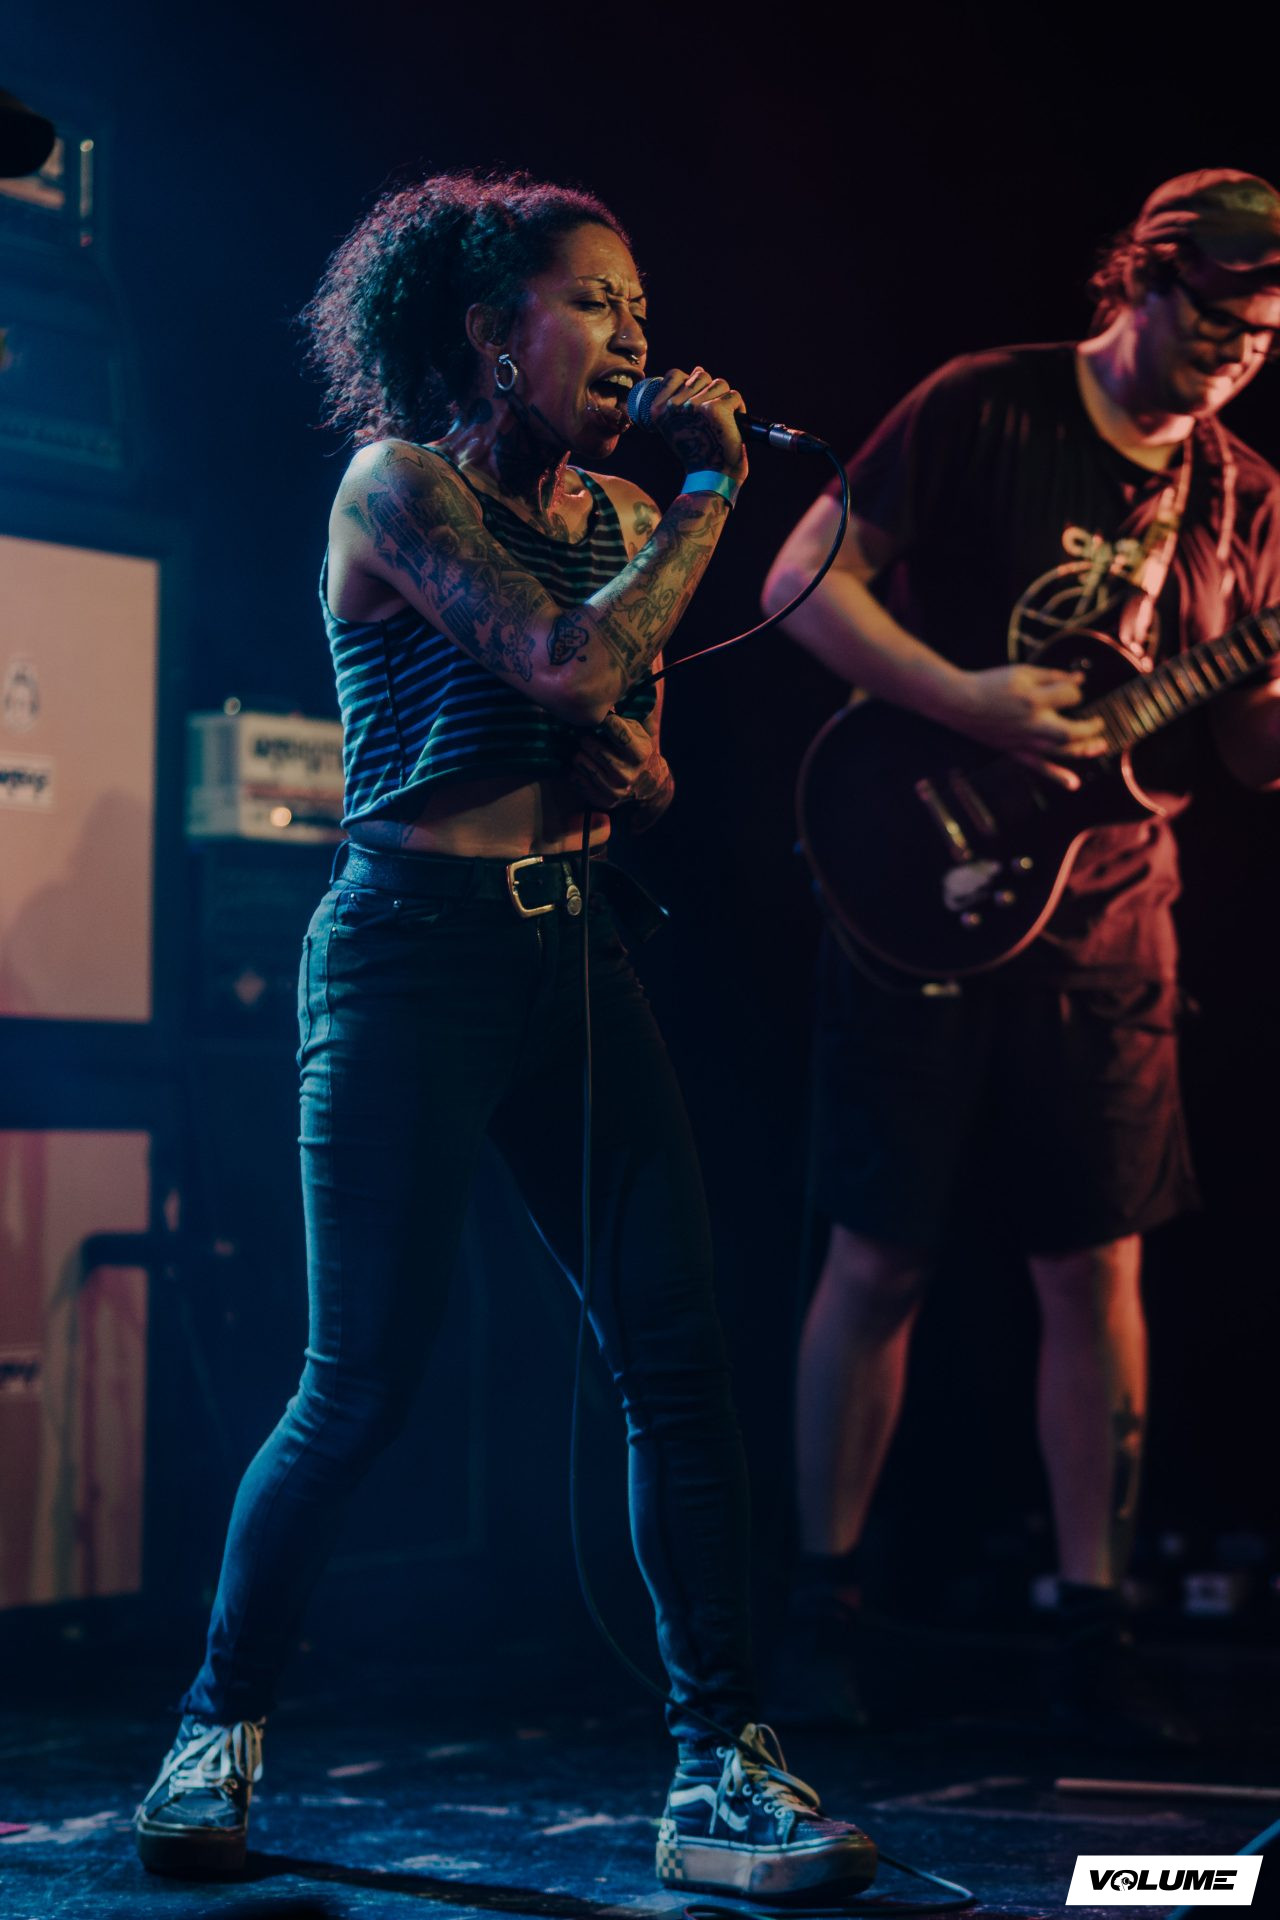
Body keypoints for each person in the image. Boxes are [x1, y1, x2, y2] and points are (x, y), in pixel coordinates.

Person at [133, 172, 876, 1900]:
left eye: (640, 305)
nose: (634, 333)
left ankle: (721, 1764)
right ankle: (214, 1725)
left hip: (576, 948)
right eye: (596, 301)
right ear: (489, 330)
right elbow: (559, 664)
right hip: (407, 956)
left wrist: (644, 771)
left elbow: (633, 738)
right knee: (357, 1387)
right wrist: (712, 495)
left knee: (677, 1365)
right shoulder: (398, 485)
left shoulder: (621, 514)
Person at [762, 170, 1280, 1730]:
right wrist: (967, 701)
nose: (1237, 354)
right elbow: (798, 582)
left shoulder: (1245, 498)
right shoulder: (985, 405)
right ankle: (821, 1606)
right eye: (1217, 320)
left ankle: (1091, 1629)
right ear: (1143, 279)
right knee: (881, 1251)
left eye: (1265, 335)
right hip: (914, 868)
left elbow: (1253, 753)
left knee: (1096, 1260)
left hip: (1112, 908)